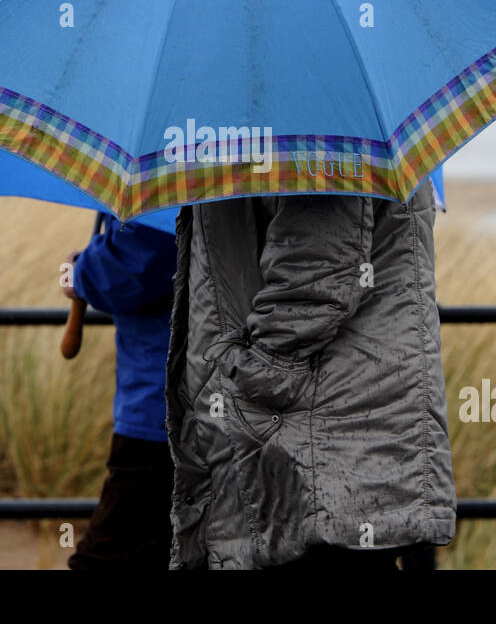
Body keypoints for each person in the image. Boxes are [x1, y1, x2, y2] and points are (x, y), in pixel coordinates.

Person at [165, 184, 455, 570]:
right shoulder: (301, 132)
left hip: (314, 440)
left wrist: (251, 374)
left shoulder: (314, 132)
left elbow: (319, 271)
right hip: (323, 437)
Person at [61, 213, 177, 570]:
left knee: (105, 557)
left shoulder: (170, 168)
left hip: (161, 404)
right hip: (217, 399)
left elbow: (139, 262)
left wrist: (78, 273)